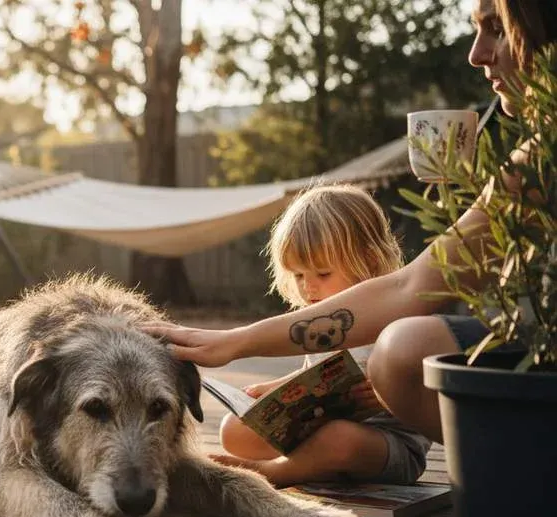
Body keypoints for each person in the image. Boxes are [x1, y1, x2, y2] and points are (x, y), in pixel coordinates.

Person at [142, 0, 557, 446]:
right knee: (401, 349)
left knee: (404, 350)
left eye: (497, 28)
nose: (476, 54)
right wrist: (236, 342)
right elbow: (410, 287)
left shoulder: (538, 164)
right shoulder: (533, 160)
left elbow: (409, 293)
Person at [213, 184, 433, 486]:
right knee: (234, 429)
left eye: (323, 274)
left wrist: (388, 397)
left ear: (368, 261)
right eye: (299, 275)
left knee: (339, 439)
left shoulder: (394, 316)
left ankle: (274, 472)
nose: (307, 287)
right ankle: (310, 464)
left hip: (386, 444)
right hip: (318, 424)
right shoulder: (320, 326)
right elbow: (314, 378)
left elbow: (427, 397)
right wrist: (270, 390)